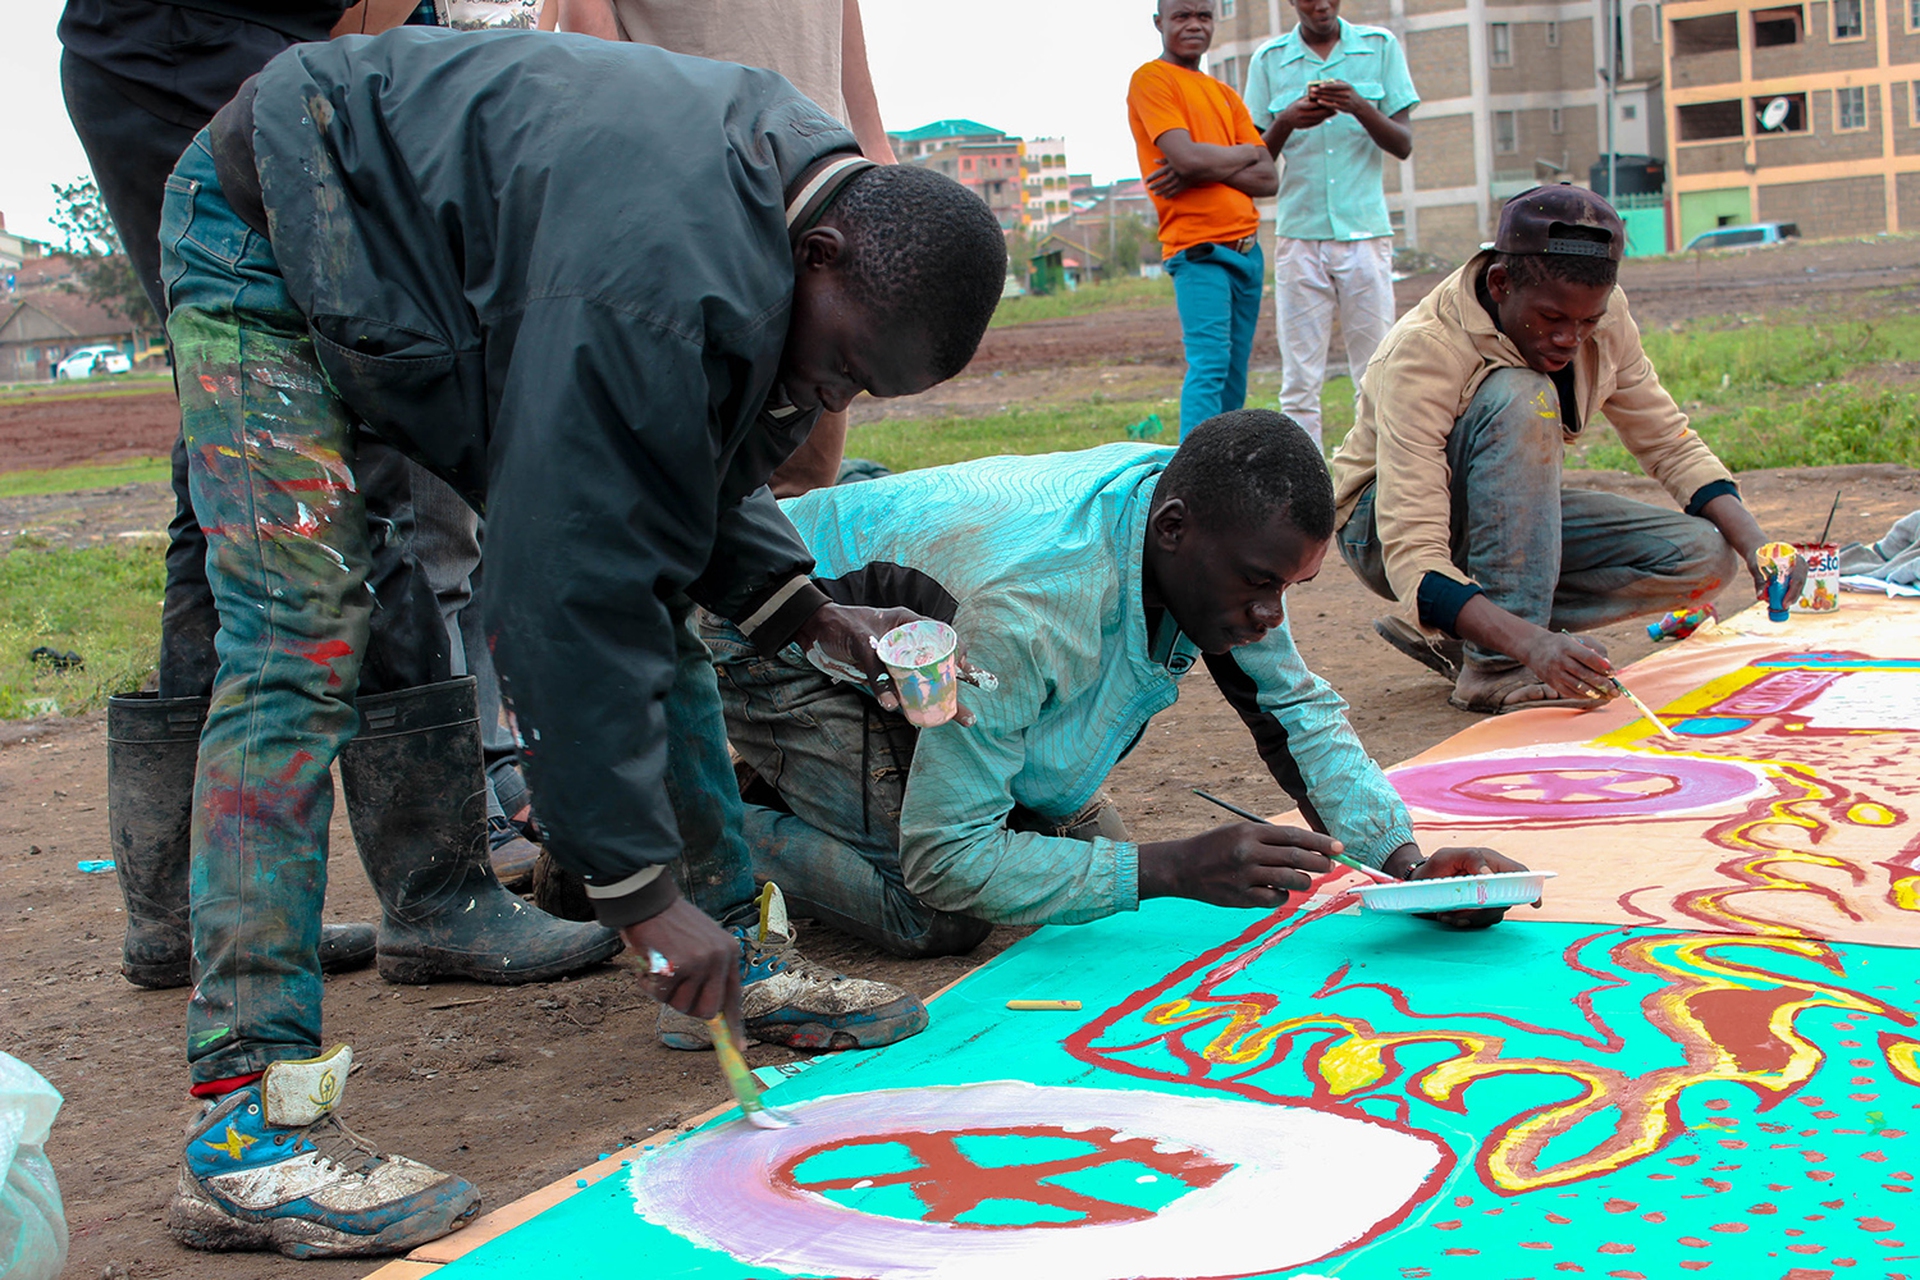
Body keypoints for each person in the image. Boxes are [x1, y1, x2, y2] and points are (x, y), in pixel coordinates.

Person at [158, 29, 1005, 1258]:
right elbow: (558, 585)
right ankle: (245, 1130)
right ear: (817, 258)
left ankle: (729, 959)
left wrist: (807, 604)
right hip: (274, 223)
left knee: (650, 603)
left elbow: (673, 462)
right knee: (299, 636)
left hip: (429, 258)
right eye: (839, 370)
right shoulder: (653, 275)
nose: (830, 403)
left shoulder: (785, 220)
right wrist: (638, 895)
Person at [58, 0, 578, 990]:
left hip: (210, 49)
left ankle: (182, 907)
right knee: (330, 447)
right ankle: (436, 892)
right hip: (205, 54)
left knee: (225, 455)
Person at [702, 410, 1532, 960]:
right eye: (1259, 587)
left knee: (1073, 848)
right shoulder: (1033, 611)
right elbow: (947, 858)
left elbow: (1295, 711)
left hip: (943, 656)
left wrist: (1405, 863)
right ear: (1172, 530)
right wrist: (1166, 870)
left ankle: (809, 790)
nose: (1270, 616)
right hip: (775, 626)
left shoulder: (1212, 542)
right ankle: (695, 823)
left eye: (1288, 590)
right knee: (937, 910)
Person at [1331, 185, 1804, 714]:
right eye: (1553, 320)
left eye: (1587, 322)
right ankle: (1494, 665)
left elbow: (1667, 439)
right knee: (1522, 392)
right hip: (1382, 526)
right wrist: (1532, 645)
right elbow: (1413, 548)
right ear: (1500, 283)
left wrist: (1761, 547)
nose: (1569, 339)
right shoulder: (1427, 349)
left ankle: (1474, 630)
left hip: (1503, 525)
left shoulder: (1603, 317)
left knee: (1704, 556)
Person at [555, 0, 896, 497]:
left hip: (815, 168)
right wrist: (626, 130)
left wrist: (872, 142)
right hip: (691, 165)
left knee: (804, 479)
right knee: (672, 471)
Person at [1242, 0, 1417, 448]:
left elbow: (1402, 144)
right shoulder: (1269, 61)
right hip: (1300, 237)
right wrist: (1286, 120)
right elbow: (1256, 158)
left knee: (1376, 372)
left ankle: (1376, 482)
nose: (1319, 3)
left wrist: (1360, 106)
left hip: (1364, 235)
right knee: (1299, 381)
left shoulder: (1378, 47)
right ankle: (1307, 496)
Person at [1126, 0, 1278, 438]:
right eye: (1181, 16)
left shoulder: (1225, 95)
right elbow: (1185, 157)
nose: (1194, 25)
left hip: (1248, 253)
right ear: (1159, 23)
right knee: (1209, 366)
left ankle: (1223, 468)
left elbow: (1268, 178)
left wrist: (1208, 164)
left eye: (1204, 16)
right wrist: (1246, 152)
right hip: (1200, 252)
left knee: (1234, 377)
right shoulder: (1152, 80)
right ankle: (1191, 480)